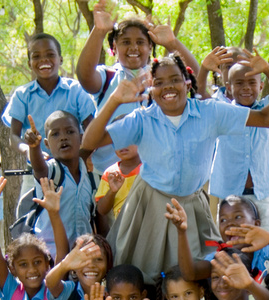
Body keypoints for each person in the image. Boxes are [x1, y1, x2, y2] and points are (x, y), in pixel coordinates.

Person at [81, 50, 269, 283]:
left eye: (175, 79)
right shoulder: (142, 119)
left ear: (187, 83)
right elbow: (90, 141)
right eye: (159, 82)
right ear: (151, 89)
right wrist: (114, 99)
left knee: (195, 275)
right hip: (150, 204)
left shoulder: (210, 112)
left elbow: (264, 119)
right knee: (144, 274)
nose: (168, 87)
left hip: (192, 207)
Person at [76, 0, 199, 177]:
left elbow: (195, 81)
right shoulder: (107, 76)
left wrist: (172, 44)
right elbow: (85, 76)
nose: (133, 47)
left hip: (152, 174)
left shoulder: (160, 79)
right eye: (125, 42)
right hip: (106, 174)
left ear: (150, 47)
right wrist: (99, 31)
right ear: (114, 48)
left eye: (140, 42)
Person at [207, 51, 269, 233]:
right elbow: (203, 95)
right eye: (239, 83)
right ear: (228, 87)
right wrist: (203, 69)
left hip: (261, 194)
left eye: (252, 82)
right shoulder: (222, 111)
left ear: (261, 85)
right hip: (230, 195)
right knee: (232, 244)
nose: (246, 88)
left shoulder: (266, 111)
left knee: (266, 242)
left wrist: (268, 69)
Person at [168, 195, 269, 283]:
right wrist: (181, 232)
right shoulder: (220, 258)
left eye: (238, 217)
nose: (230, 223)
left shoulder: (265, 251)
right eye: (223, 220)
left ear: (256, 224)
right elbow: (190, 274)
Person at [4, 33, 96, 157]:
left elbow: (92, 130)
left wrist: (82, 157)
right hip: (37, 169)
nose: (43, 60)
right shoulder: (22, 95)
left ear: (60, 59)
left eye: (50, 54)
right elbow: (14, 137)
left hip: (74, 168)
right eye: (36, 56)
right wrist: (29, 151)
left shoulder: (76, 90)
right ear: (29, 64)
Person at [22, 112, 96, 257]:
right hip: (52, 256)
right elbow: (39, 167)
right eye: (55, 134)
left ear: (81, 138)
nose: (63, 137)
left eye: (70, 132)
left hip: (83, 256)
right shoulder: (50, 172)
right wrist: (34, 148)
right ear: (47, 144)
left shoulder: (90, 178)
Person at [95, 144, 141, 220]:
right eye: (118, 140)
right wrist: (112, 192)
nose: (123, 144)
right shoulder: (110, 174)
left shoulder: (148, 170)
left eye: (129, 139)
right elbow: (102, 210)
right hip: (122, 227)